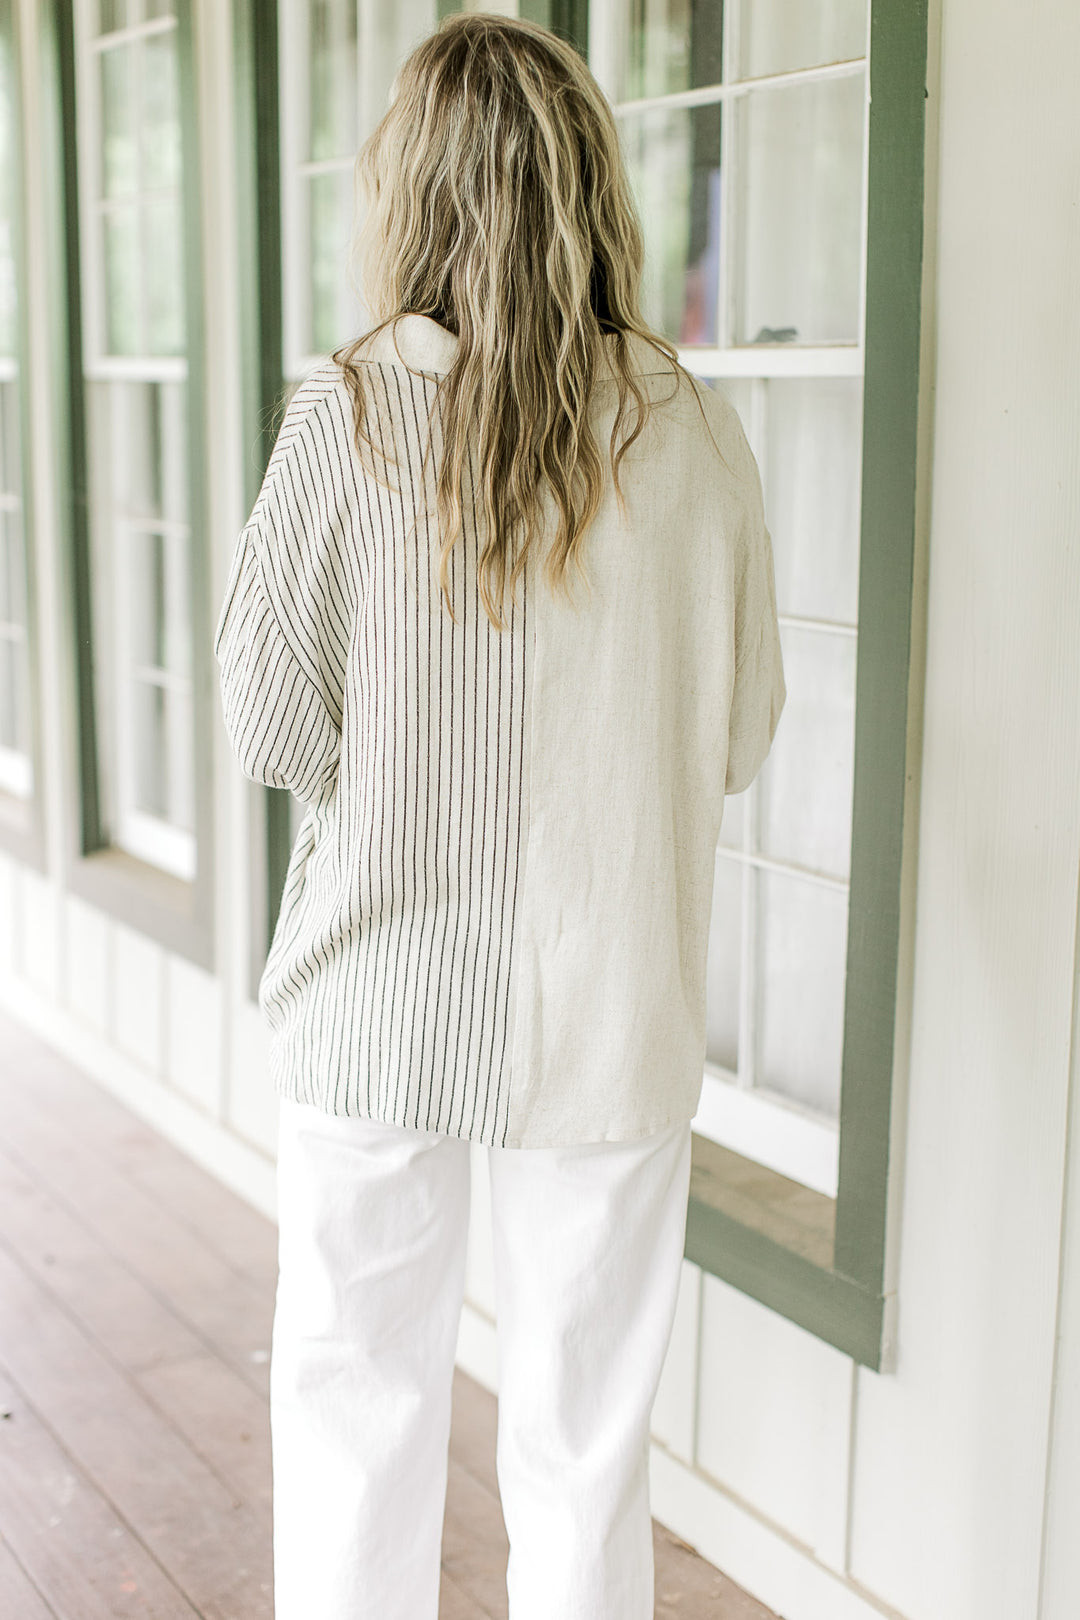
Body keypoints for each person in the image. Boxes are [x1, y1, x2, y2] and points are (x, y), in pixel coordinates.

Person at [214, 12, 785, 1620]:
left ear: (410, 194)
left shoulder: (346, 418)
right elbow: (739, 734)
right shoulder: (693, 430)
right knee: (586, 1450)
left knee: (351, 1411)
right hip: (613, 1005)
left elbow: (268, 717)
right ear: (595, 186)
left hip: (372, 995)